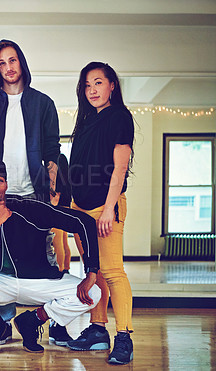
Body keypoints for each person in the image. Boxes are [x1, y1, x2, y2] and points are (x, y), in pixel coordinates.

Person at [0, 157, 101, 355]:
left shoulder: (28, 209)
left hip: (36, 280)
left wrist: (91, 272)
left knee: (93, 293)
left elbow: (84, 223)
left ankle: (31, 321)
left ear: (6, 185)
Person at [0, 39, 63, 342]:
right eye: (1, 63)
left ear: (21, 63)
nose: (8, 68)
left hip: (33, 189)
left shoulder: (43, 103)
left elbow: (52, 150)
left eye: (12, 61)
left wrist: (53, 185)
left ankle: (34, 324)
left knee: (36, 254)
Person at [67, 62, 135, 365]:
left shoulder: (119, 117)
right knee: (93, 270)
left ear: (112, 86)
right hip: (80, 208)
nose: (92, 90)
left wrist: (109, 209)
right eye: (87, 85)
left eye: (98, 83)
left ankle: (124, 336)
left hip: (104, 207)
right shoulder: (84, 121)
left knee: (112, 272)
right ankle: (97, 329)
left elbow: (120, 166)